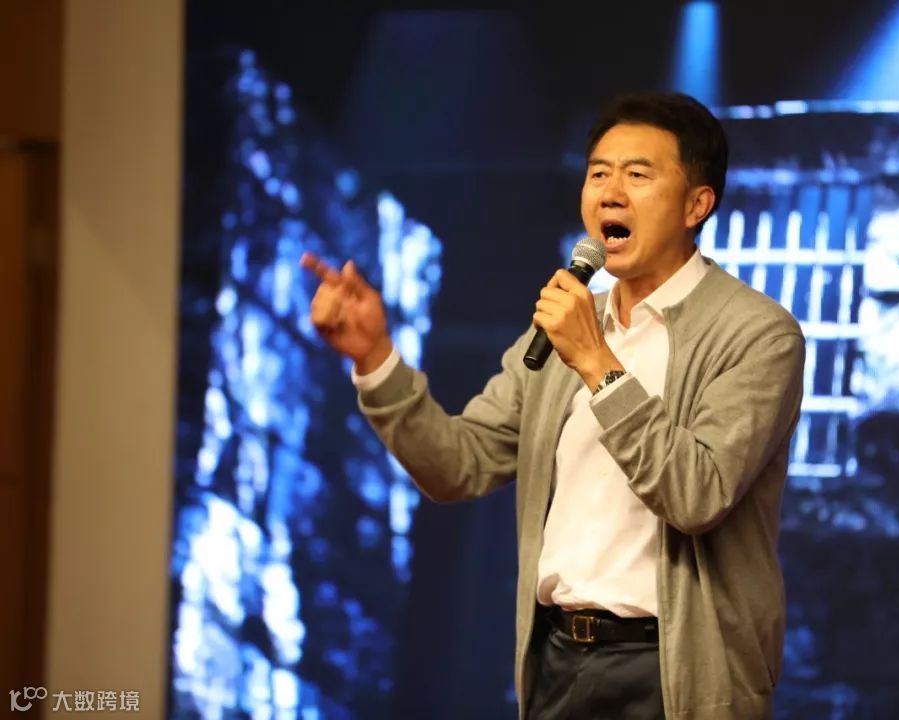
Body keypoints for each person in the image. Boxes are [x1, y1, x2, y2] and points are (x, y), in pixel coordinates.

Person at [302, 92, 805, 720]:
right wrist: (375, 357)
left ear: (696, 205)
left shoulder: (757, 334)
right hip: (560, 660)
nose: (609, 194)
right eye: (598, 174)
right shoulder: (568, 328)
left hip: (677, 674)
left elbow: (697, 494)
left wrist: (597, 362)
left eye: (637, 175)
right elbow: (457, 465)